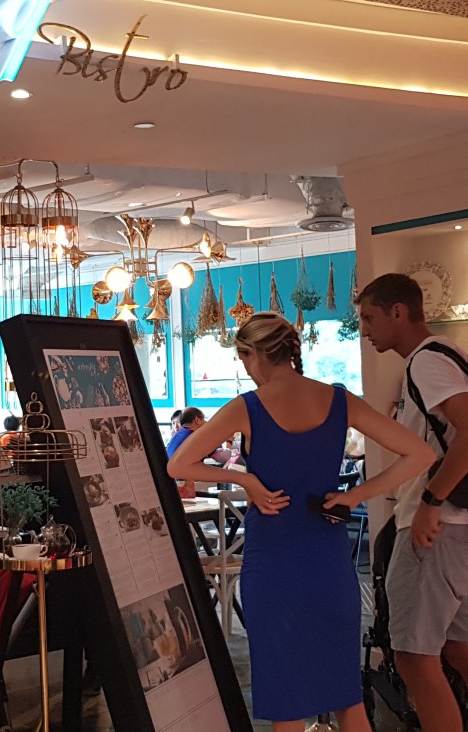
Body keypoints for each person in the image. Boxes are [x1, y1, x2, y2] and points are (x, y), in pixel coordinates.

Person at [168, 312, 434, 731]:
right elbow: (421, 453)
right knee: (347, 697)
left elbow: (177, 464)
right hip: (328, 561)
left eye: (243, 359)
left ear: (252, 354)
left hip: (273, 561)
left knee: (286, 700)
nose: (246, 368)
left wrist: (245, 479)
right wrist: (354, 496)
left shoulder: (247, 407)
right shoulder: (339, 400)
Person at [356, 273, 468, 732]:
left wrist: (430, 501)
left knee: (413, 657)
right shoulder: (449, 354)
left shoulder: (426, 361)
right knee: (457, 648)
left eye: (369, 317)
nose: (365, 330)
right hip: (456, 526)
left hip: (438, 527)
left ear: (398, 312)